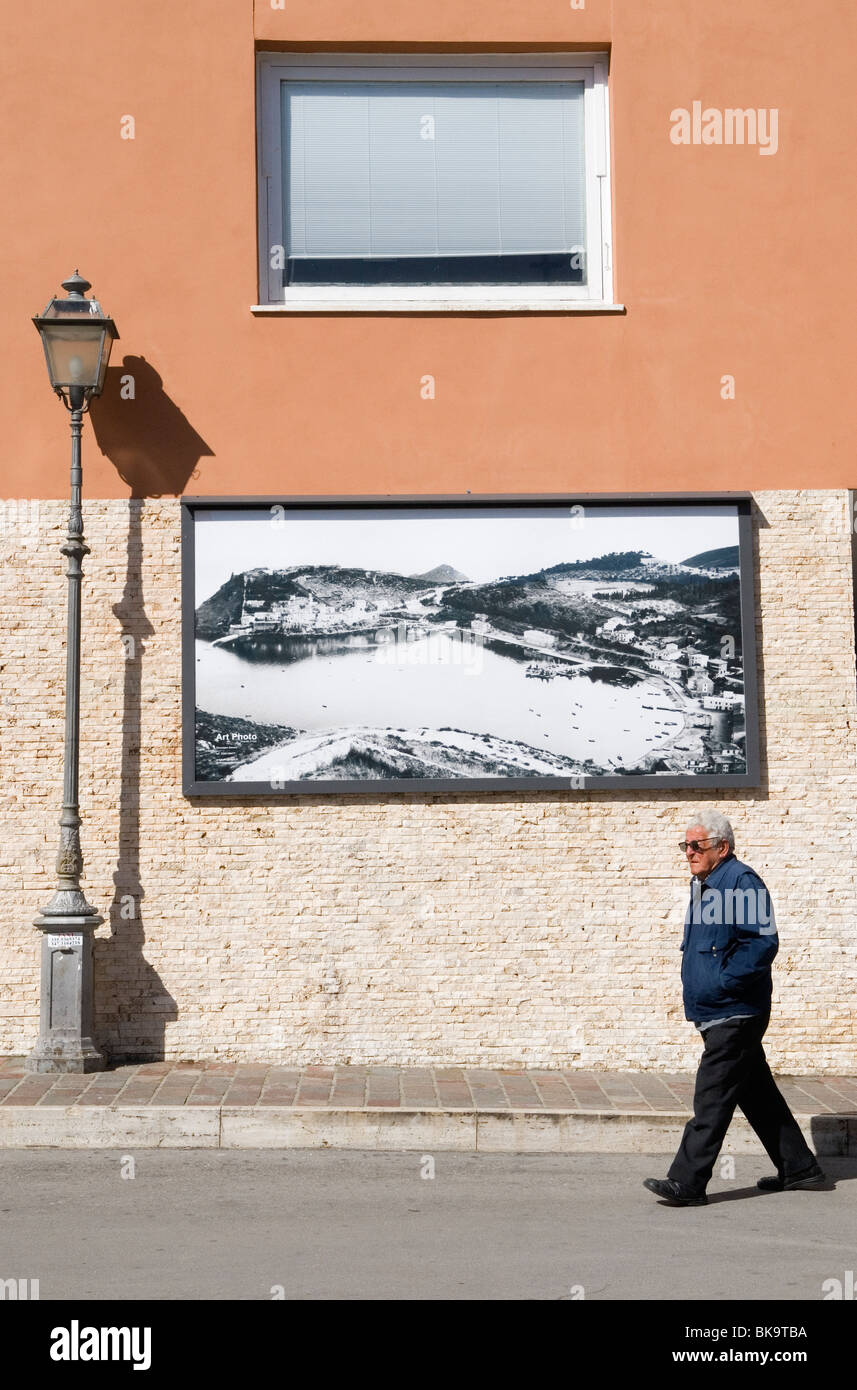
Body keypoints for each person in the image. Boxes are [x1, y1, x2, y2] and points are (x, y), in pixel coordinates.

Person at [643, 812, 826, 1206]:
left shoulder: (740, 881)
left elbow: (760, 944)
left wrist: (724, 982)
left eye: (697, 846)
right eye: (686, 846)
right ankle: (800, 1168)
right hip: (718, 1009)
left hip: (735, 1011)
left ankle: (688, 1183)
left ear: (721, 847)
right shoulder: (706, 884)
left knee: (711, 1097)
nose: (688, 853)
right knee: (755, 1092)